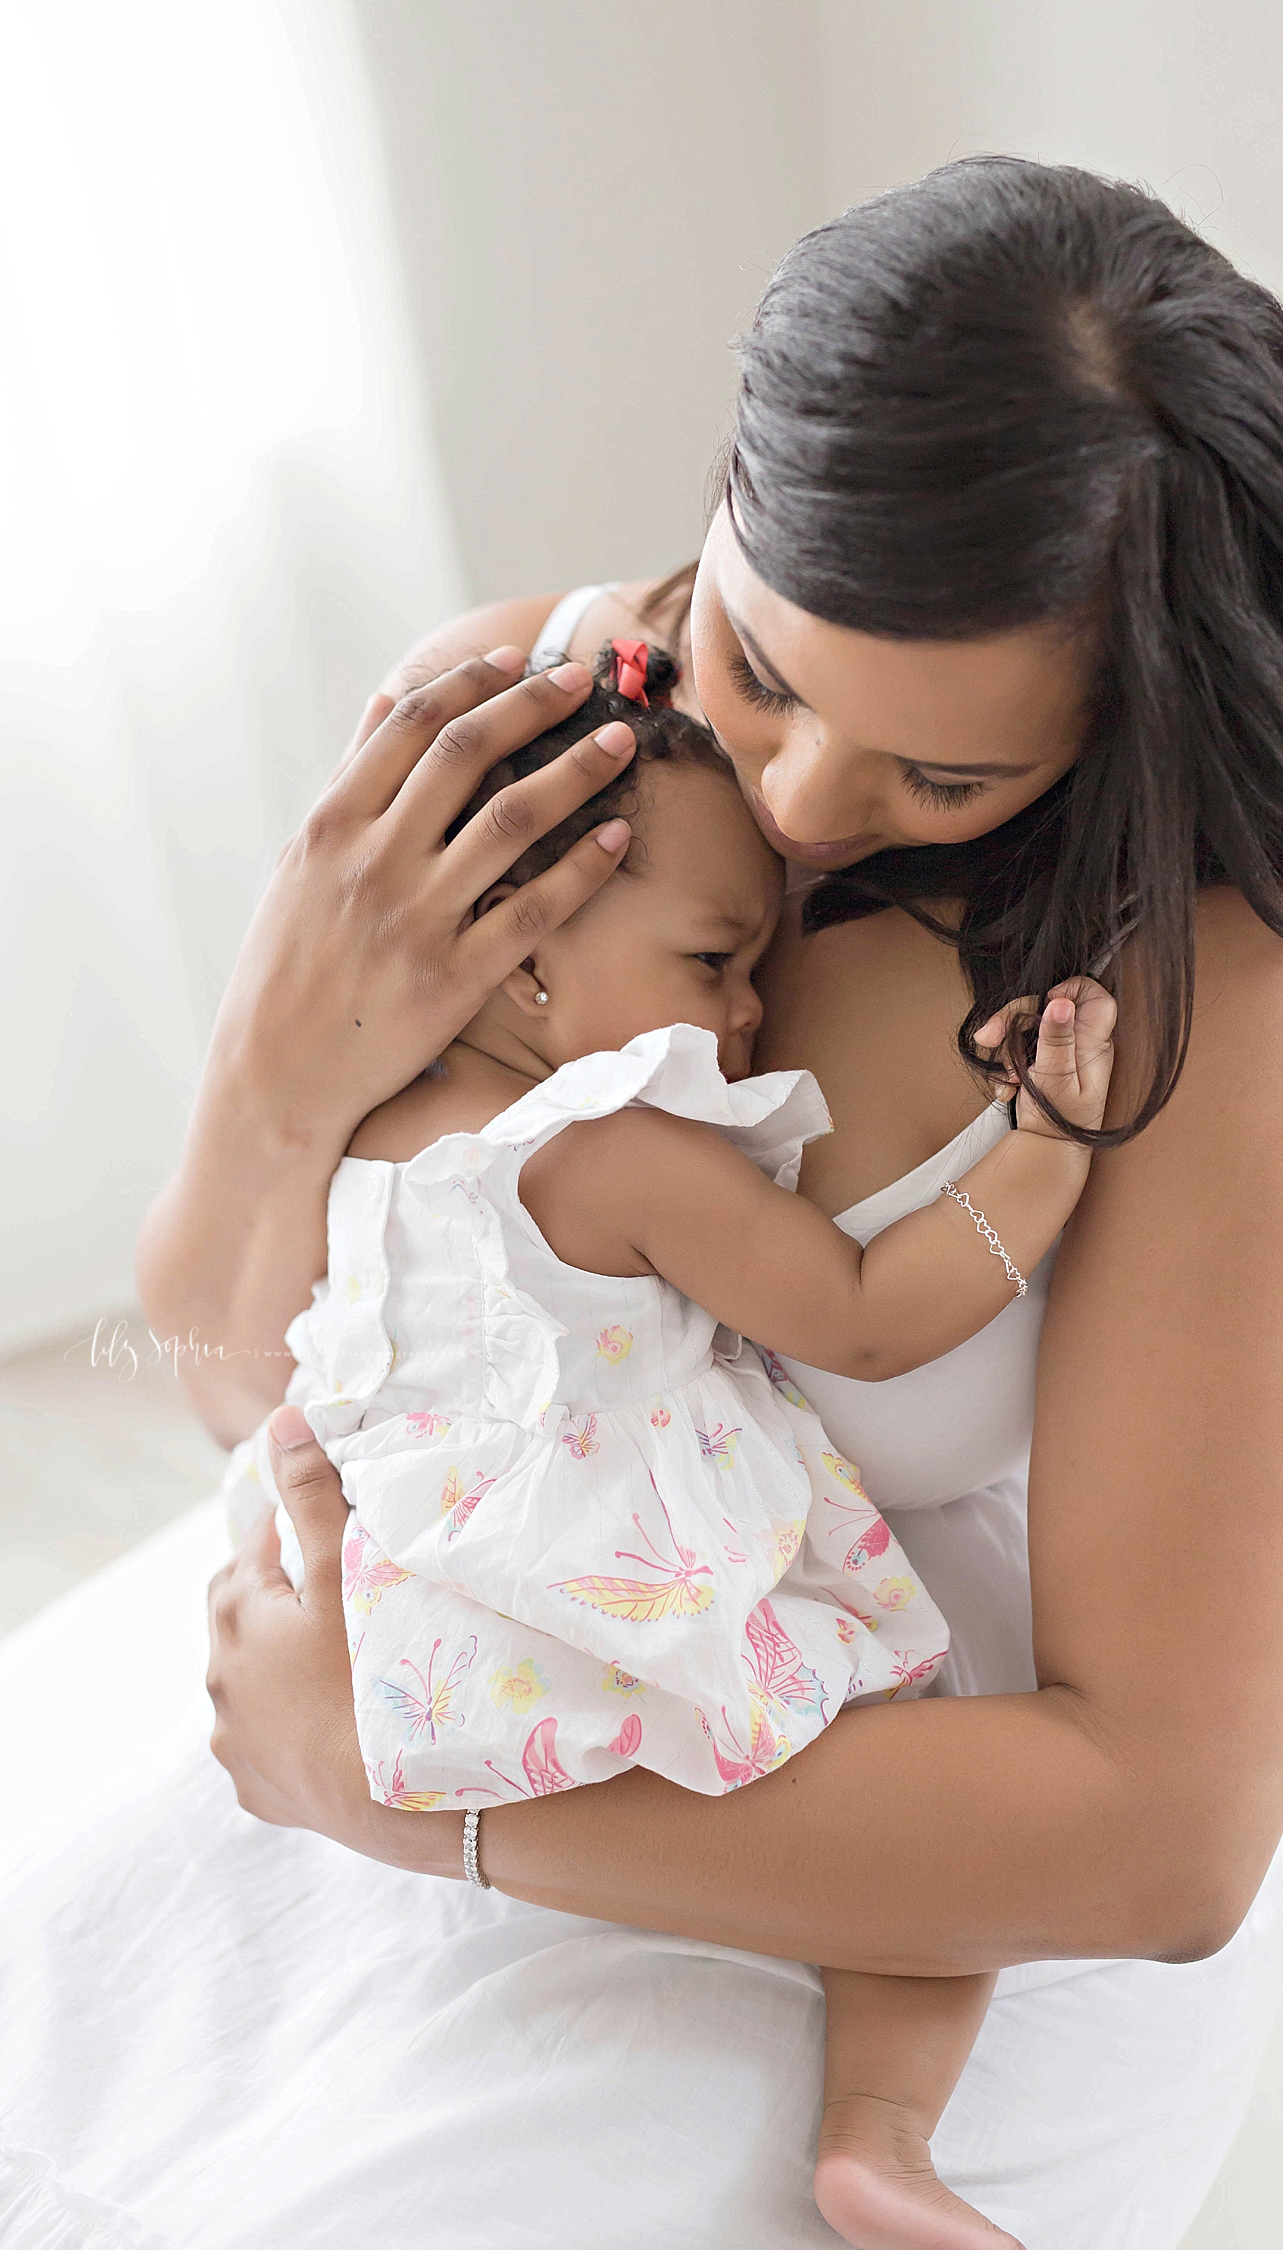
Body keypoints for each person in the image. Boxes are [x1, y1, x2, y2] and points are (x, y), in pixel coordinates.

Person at [0, 158, 1283, 2250]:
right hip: (474, 1654)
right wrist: (280, 1058)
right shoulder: (526, 737)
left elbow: (1165, 1842)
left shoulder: (1227, 989)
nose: (804, 804)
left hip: (934, 1840)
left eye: (944, 780)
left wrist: (439, 1805)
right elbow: (247, 1380)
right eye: (764, 665)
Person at [220, 635, 1113, 2250]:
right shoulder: (612, 1145)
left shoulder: (379, 1141)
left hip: (424, 1633)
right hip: (622, 1602)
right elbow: (855, 1313)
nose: (757, 1008)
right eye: (715, 960)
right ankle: (882, 2135)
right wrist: (1043, 1155)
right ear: (535, 968)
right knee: (932, 1849)